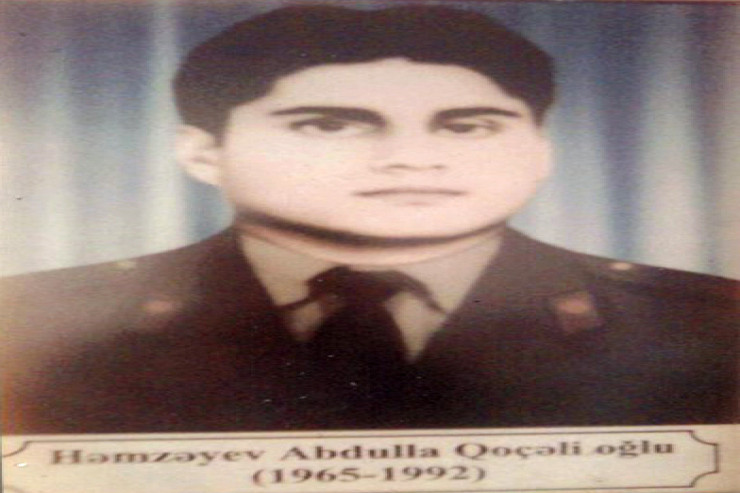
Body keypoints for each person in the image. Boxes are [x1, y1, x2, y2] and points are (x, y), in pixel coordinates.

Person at [1, 5, 737, 434]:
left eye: (468, 126)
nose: (411, 158)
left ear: (540, 151)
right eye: (329, 125)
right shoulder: (28, 324)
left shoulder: (711, 327)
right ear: (202, 152)